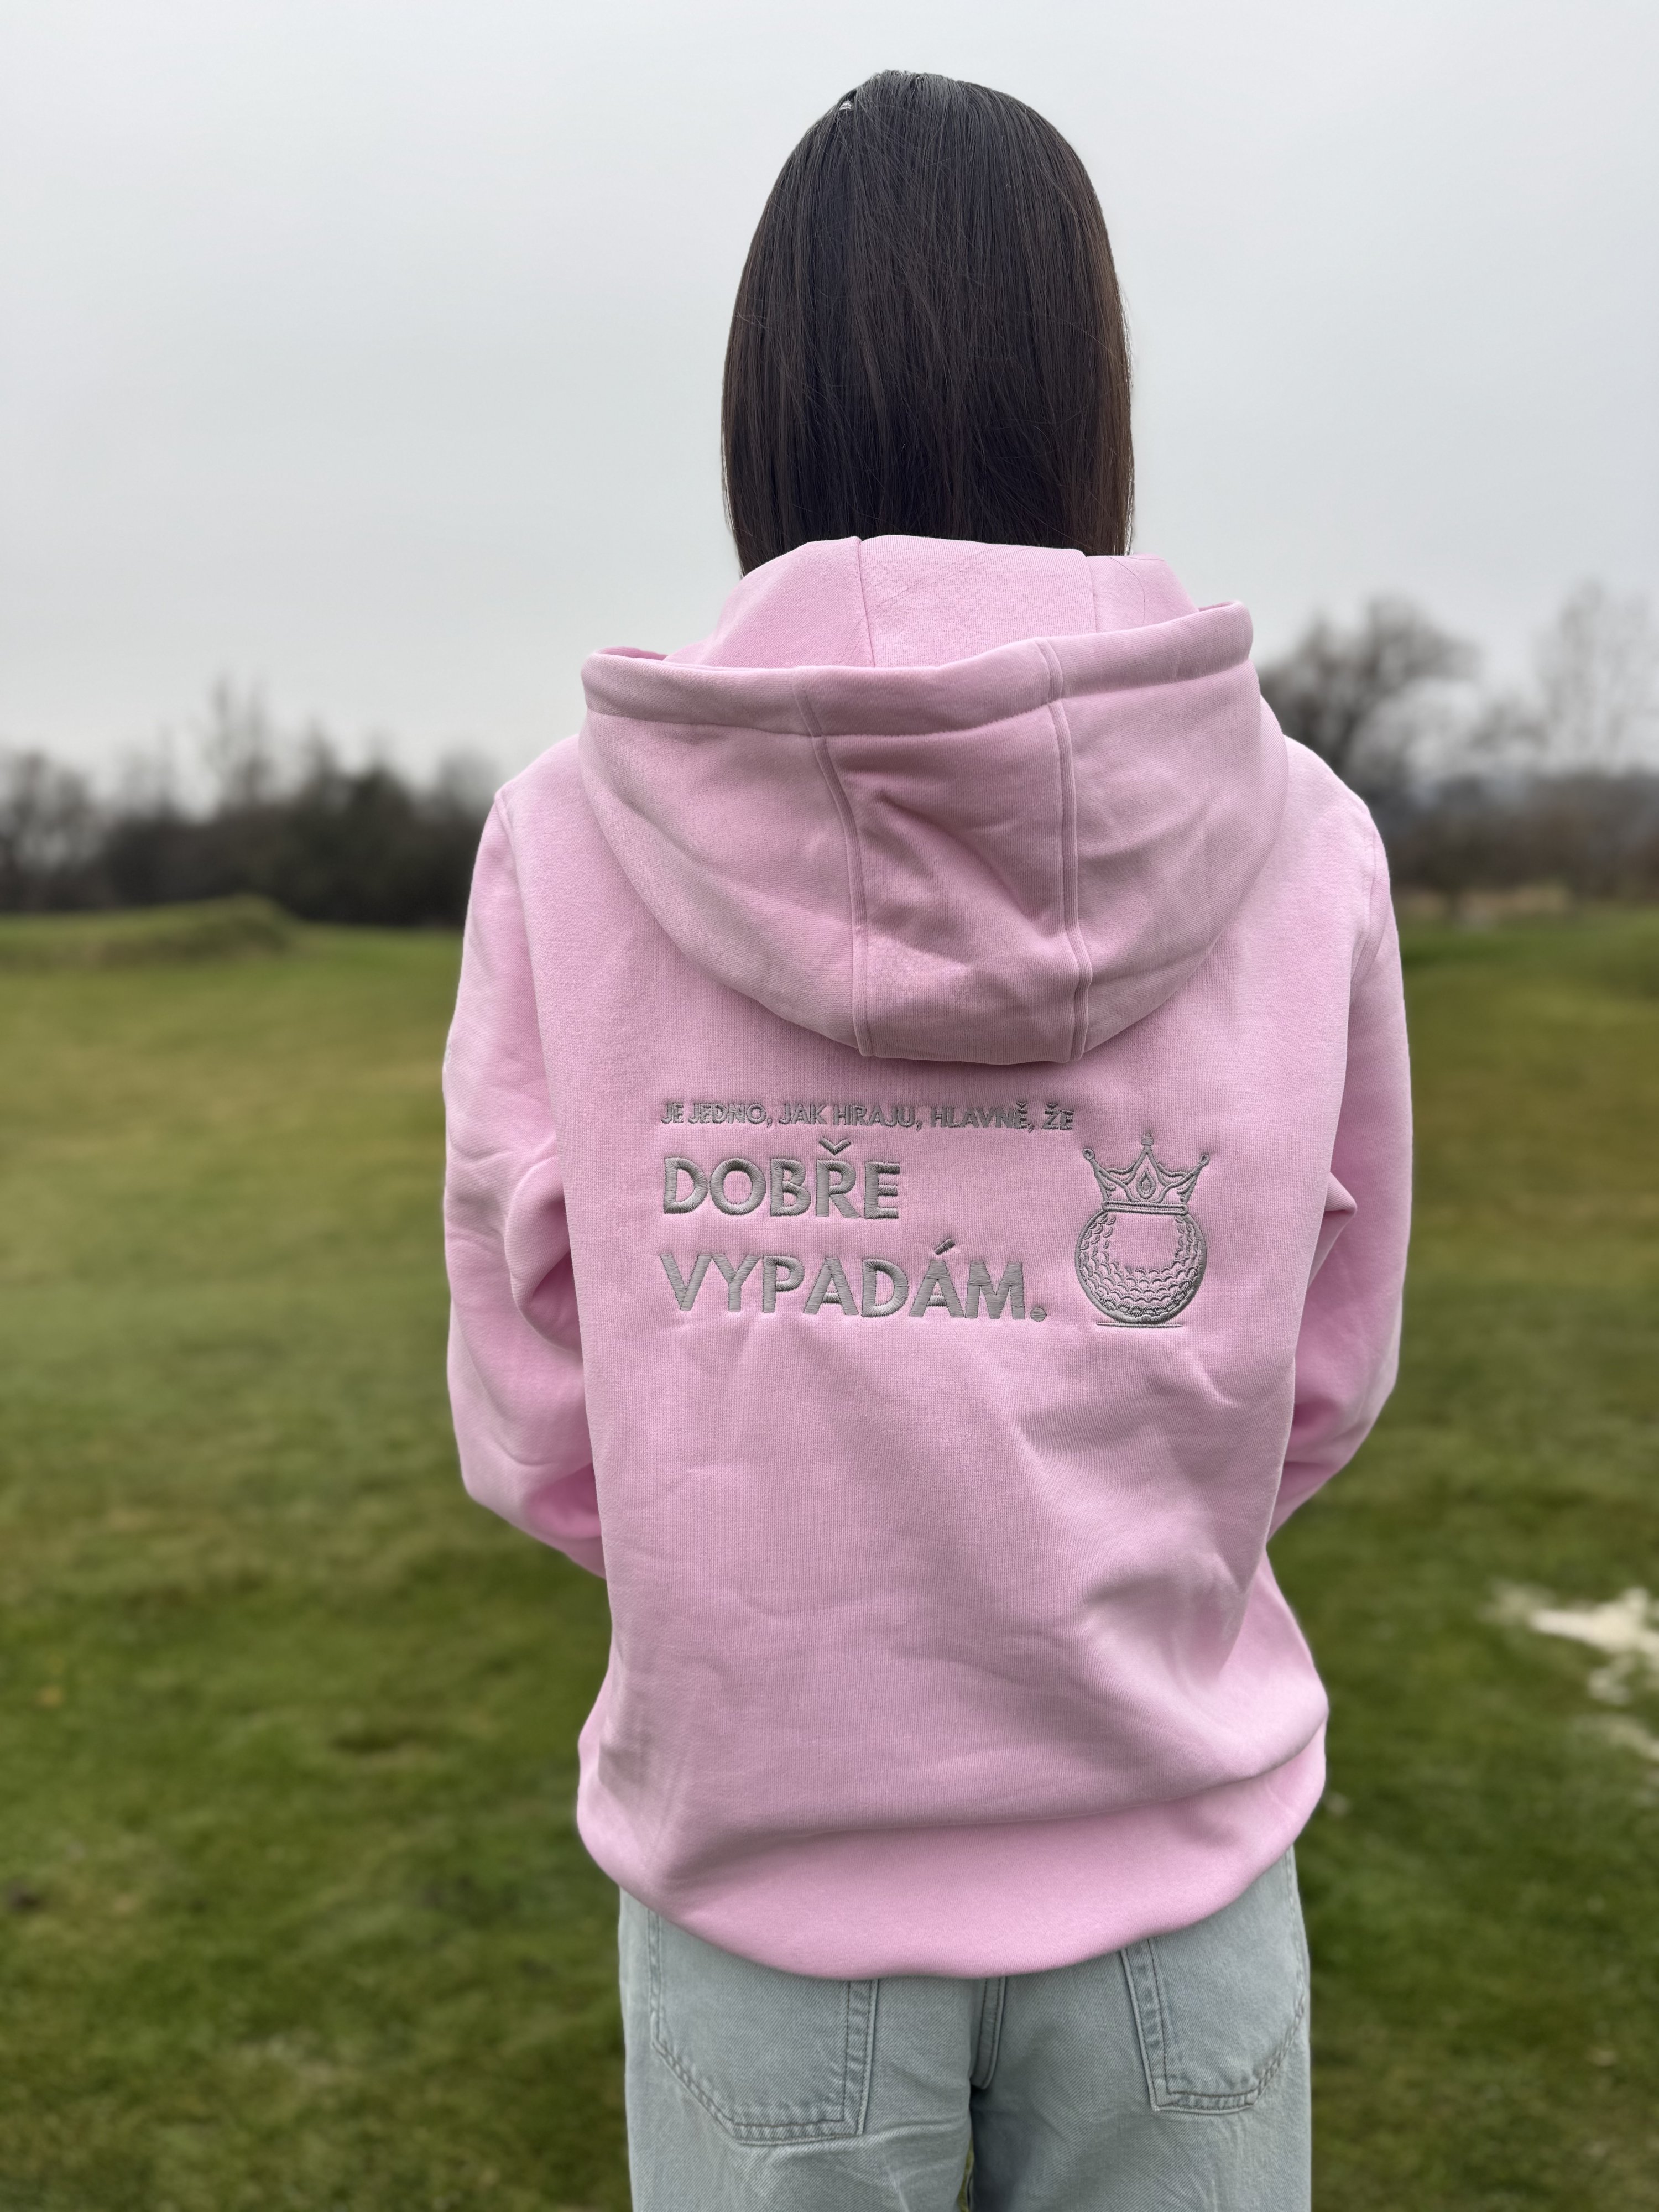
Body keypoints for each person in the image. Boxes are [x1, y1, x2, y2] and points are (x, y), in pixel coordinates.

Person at [442, 69, 1410, 2212]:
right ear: (1089, 391)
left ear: (764, 399)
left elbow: (534, 1411)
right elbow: (1320, 1372)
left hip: (765, 1882)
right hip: (1176, 1873)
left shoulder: (568, 841)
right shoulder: (1304, 835)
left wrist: (761, 1569)